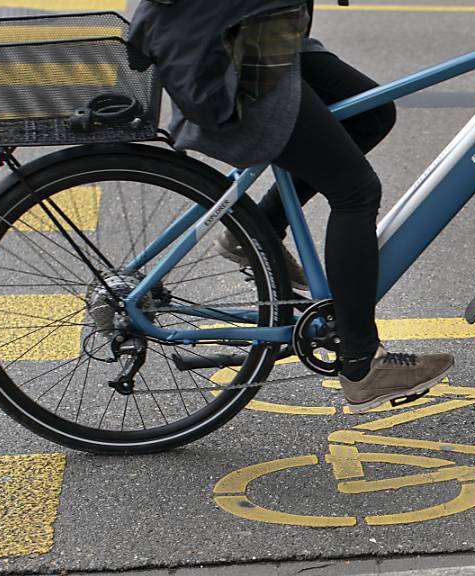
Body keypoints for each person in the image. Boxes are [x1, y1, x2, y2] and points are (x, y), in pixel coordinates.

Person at [129, 0, 453, 412]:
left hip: (258, 32)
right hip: (230, 47)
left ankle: (261, 228)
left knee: (371, 113)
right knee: (355, 191)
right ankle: (362, 363)